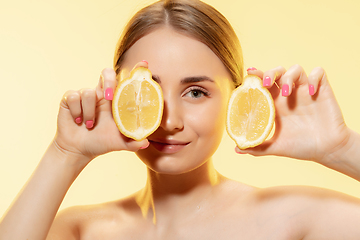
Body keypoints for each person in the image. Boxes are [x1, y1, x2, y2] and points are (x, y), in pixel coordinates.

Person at [1, 0, 360, 239]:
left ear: (235, 98)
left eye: (196, 92)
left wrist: (341, 149)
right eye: (149, 92)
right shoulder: (81, 229)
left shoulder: (291, 219)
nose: (169, 121)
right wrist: (65, 153)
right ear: (119, 94)